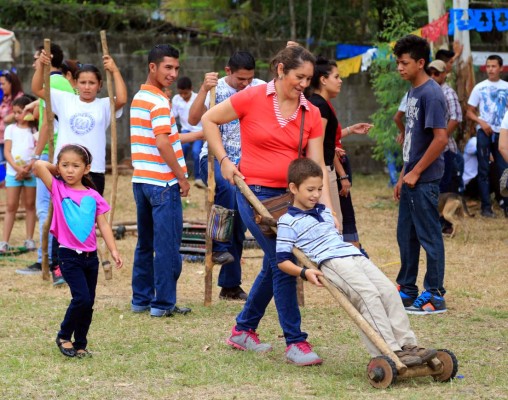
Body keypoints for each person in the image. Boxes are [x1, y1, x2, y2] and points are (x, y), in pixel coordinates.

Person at [203, 45, 339, 366]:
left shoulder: (312, 114)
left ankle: (243, 329)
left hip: (289, 200)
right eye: (298, 77)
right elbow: (210, 120)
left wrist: (328, 210)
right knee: (284, 259)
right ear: (281, 70)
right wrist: (224, 160)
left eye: (308, 78)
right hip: (252, 193)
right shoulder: (252, 97)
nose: (304, 84)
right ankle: (295, 342)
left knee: (272, 261)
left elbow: (318, 167)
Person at [276, 158, 437, 367]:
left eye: (319, 189)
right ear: (293, 188)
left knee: (388, 291)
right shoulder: (287, 222)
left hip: (353, 255)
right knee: (367, 296)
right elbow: (281, 261)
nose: (316, 194)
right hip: (332, 262)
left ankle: (408, 345)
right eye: (310, 190)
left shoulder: (324, 211)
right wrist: (304, 272)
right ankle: (389, 349)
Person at [33, 144, 123, 358]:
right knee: (81, 298)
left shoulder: (93, 195)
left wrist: (113, 250)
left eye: (76, 166)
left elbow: (103, 225)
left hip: (90, 258)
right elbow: (38, 165)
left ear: (87, 168)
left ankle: (80, 343)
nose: (70, 170)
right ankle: (64, 335)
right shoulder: (58, 188)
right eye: (65, 165)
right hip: (68, 256)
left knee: (89, 302)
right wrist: (58, 169)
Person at [189, 51, 265, 300]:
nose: (245, 84)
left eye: (249, 78)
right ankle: (218, 247)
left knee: (241, 216)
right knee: (227, 191)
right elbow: (192, 119)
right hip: (213, 159)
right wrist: (202, 89)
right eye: (240, 79)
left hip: (247, 164)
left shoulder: (260, 88)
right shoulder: (215, 89)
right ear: (228, 71)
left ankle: (230, 285)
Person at [130, 44, 192, 318]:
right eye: (168, 67)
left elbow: (165, 139)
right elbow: (162, 142)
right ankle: (163, 304)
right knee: (166, 247)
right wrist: (181, 176)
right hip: (162, 183)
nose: (173, 73)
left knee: (145, 243)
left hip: (141, 181)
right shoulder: (159, 102)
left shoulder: (139, 98)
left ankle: (140, 300)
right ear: (152, 67)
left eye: (176, 68)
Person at [393, 35, 448, 315]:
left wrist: (415, 173)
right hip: (412, 177)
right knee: (406, 235)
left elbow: (440, 139)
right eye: (398, 63)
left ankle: (435, 295)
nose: (400, 68)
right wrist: (403, 174)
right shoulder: (413, 91)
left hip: (425, 180)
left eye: (404, 63)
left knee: (429, 237)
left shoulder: (431, 94)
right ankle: (407, 288)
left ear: (420, 63)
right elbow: (413, 140)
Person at [16, 46, 77, 283]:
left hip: (54, 153)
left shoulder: (55, 84)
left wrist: (37, 155)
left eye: (36, 59)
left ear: (46, 59)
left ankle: (48, 259)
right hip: (58, 153)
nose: (33, 63)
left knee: (46, 208)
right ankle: (49, 258)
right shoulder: (59, 82)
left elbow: (46, 124)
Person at [32, 50, 127, 195]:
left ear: (100, 85)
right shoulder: (64, 100)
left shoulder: (104, 105)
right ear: (75, 83)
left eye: (92, 83)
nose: (87, 87)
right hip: (65, 169)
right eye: (83, 82)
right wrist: (40, 66)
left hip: (93, 169)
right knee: (66, 213)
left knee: (90, 214)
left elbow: (122, 99)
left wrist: (114, 70)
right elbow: (37, 89)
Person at [307, 56, 372, 252]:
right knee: (334, 224)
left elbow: (326, 140)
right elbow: (316, 145)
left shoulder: (319, 104)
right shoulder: (320, 106)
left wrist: (351, 129)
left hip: (325, 169)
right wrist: (333, 174)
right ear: (323, 79)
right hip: (323, 170)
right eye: (336, 76)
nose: (340, 80)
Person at [466, 54, 508, 218]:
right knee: (483, 169)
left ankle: (505, 203)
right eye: (488, 66)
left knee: (503, 169)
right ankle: (486, 207)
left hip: (502, 133)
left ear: (501, 68)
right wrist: (481, 122)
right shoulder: (479, 87)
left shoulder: (506, 86)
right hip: (483, 132)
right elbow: (469, 111)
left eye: (493, 66)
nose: (490, 69)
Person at [0, 95, 38, 253]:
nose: (16, 115)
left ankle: (29, 239)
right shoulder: (10, 129)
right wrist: (18, 169)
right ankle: (4, 241)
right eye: (14, 112)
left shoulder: (35, 130)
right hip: (13, 174)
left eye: (19, 112)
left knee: (30, 206)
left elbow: (37, 150)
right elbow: (7, 152)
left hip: (31, 173)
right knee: (11, 206)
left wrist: (28, 168)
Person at [428, 59, 463, 195]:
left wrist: (440, 138)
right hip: (431, 147)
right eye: (429, 73)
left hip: (445, 148)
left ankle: (444, 216)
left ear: (444, 74)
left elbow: (455, 118)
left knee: (445, 186)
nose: (432, 76)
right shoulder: (429, 91)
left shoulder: (449, 93)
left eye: (436, 73)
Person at [171, 76, 205, 188]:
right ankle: (181, 175)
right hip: (185, 130)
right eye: (181, 93)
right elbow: (173, 115)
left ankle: (198, 178)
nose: (183, 96)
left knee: (196, 152)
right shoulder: (176, 99)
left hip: (198, 130)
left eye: (185, 93)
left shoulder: (198, 98)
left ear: (191, 89)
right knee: (180, 150)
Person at [0, 70, 24, 184]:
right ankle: (6, 181)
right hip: (2, 136)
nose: (1, 86)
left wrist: (8, 117)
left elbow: (9, 117)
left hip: (14, 137)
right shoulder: (4, 98)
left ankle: (18, 176)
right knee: (3, 160)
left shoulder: (19, 98)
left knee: (13, 158)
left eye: (3, 83)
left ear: (11, 83)